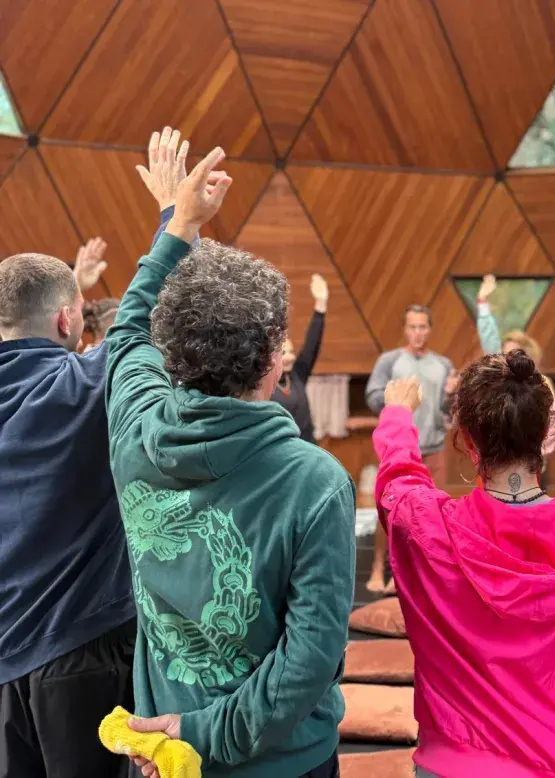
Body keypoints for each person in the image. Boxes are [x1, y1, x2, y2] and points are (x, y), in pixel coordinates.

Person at [105, 131, 355, 778]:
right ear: (276, 361)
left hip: (158, 752)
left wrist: (178, 222)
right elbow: (308, 664)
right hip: (275, 762)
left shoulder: (134, 424)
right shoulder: (315, 482)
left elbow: (129, 326)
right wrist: (198, 733)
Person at [372, 352, 555, 778]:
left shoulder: (429, 530)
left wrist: (397, 416)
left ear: (465, 437)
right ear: (548, 432)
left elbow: (399, 481)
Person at [0, 236, 136, 777]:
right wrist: (179, 219)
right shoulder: (79, 386)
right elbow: (142, 315)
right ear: (66, 322)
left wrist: (72, 289)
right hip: (79, 650)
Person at [365, 305, 453, 592]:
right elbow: (372, 395)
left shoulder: (443, 364)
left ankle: (414, 573)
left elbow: (447, 409)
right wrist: (396, 401)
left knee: (431, 515)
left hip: (433, 447)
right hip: (397, 449)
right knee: (388, 512)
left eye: (423, 327)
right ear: (405, 329)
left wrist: (452, 395)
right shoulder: (390, 360)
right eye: (413, 327)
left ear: (430, 329)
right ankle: (380, 567)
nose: (418, 332)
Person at [475, 272, 555, 460]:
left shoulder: (542, 384)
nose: (509, 358)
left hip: (531, 458)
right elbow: (489, 340)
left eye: (515, 353)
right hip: (500, 456)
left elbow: (551, 423)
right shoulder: (499, 380)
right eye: (505, 353)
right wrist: (482, 302)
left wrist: (537, 454)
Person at [272, 274, 329, 443]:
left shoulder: (296, 375)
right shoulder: (260, 385)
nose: (290, 357)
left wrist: (321, 305)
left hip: (309, 452)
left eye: (291, 351)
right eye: (283, 353)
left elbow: (312, 343)